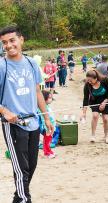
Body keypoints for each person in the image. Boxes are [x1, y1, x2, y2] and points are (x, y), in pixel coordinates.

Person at [0, 25, 54, 203]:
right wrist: (5, 111)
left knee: (31, 166)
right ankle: (24, 200)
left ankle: (19, 198)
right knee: (21, 168)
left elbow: (37, 92)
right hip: (13, 126)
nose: (8, 45)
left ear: (21, 39)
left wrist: (46, 117)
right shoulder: (1, 66)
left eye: (12, 40)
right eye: (4, 43)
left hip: (34, 123)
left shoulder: (31, 63)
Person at [81, 69, 108, 144]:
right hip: (94, 102)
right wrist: (84, 113)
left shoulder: (105, 80)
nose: (89, 82)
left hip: (107, 100)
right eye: (88, 80)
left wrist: (104, 103)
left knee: (105, 118)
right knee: (95, 115)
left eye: (91, 80)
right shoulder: (87, 84)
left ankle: (106, 136)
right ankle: (93, 135)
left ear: (96, 78)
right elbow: (85, 98)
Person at [38, 90, 56, 158]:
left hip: (52, 125)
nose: (51, 99)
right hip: (47, 127)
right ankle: (47, 153)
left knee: (49, 140)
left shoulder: (47, 106)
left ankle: (49, 151)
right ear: (44, 98)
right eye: (49, 98)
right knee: (46, 141)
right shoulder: (41, 108)